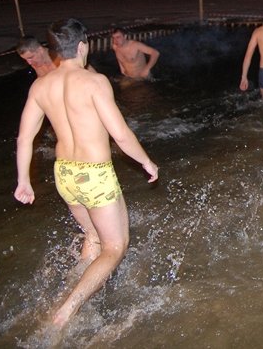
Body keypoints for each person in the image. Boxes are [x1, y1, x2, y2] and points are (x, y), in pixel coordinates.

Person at [14, 18, 158, 327]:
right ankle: (66, 311)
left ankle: (66, 290)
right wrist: (146, 162)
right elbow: (120, 134)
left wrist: (24, 181)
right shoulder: (95, 82)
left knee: (92, 235)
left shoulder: (41, 85)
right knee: (115, 247)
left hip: (64, 173)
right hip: (94, 174)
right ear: (83, 46)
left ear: (54, 50)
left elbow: (25, 137)